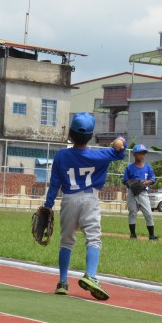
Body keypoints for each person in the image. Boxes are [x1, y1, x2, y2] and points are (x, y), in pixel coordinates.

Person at [45, 112, 125, 300]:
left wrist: (48, 205)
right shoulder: (100, 156)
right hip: (89, 199)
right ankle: (90, 275)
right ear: (90, 136)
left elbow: (55, 182)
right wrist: (120, 139)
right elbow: (120, 152)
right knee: (93, 239)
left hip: (68, 199)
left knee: (66, 241)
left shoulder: (62, 155)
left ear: (70, 134)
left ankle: (63, 282)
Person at [123, 144, 158, 240]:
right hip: (132, 193)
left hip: (143, 193)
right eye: (139, 154)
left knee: (148, 214)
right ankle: (133, 234)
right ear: (134, 154)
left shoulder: (148, 167)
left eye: (143, 153)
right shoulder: (130, 168)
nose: (141, 155)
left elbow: (153, 179)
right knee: (132, 213)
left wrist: (146, 182)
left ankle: (151, 235)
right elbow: (125, 180)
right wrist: (132, 183)